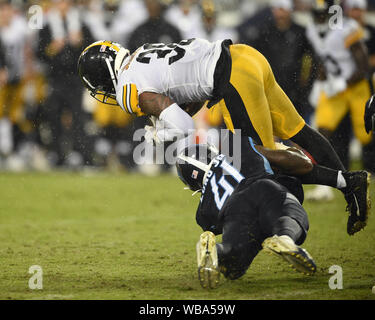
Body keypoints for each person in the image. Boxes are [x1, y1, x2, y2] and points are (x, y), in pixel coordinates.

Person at [77, 36, 370, 235]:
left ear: (103, 76)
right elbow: (190, 86)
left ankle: (346, 182)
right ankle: (351, 190)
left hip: (231, 79)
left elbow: (184, 127)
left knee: (257, 160)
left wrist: (160, 133)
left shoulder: (129, 89)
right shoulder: (142, 52)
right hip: (245, 56)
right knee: (298, 131)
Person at [175, 131, 318, 288]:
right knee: (290, 214)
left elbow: (215, 224)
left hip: (234, 210)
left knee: (234, 265)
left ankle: (218, 250)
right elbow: (289, 163)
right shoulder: (237, 147)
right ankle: (285, 237)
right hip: (264, 189)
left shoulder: (203, 212)